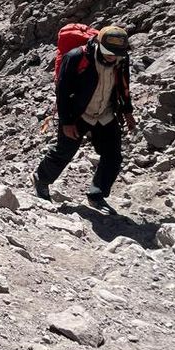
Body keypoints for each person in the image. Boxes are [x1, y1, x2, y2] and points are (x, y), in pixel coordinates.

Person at [32, 26, 136, 213]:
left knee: (113, 156)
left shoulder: (121, 59)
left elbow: (124, 84)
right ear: (99, 44)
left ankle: (97, 195)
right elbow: (62, 92)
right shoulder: (75, 57)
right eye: (109, 52)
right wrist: (66, 122)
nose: (113, 56)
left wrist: (127, 111)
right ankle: (41, 179)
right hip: (78, 113)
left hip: (106, 112)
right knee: (65, 151)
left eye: (117, 53)